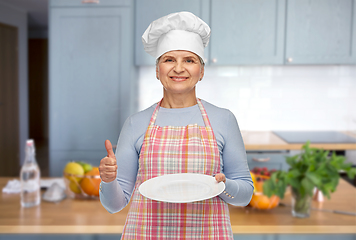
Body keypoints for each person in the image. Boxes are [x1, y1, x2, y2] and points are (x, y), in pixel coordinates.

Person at [99, 11, 253, 239]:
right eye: (169, 59)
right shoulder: (135, 123)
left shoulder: (224, 119)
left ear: (201, 72)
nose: (178, 68)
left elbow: (245, 195)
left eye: (189, 60)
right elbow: (115, 204)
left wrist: (225, 185)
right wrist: (108, 181)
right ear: (157, 70)